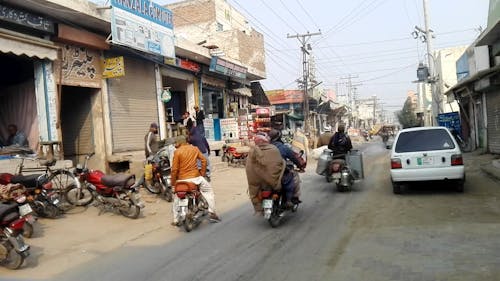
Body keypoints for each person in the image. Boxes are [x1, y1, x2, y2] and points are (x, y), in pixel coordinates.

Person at [170, 135, 219, 225]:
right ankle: (212, 212)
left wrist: (173, 184)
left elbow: (174, 170)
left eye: (176, 143)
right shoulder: (194, 149)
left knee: (176, 197)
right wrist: (202, 174)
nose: (175, 145)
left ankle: (176, 219)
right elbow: (204, 161)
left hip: (182, 180)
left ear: (180, 142)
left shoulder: (177, 152)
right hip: (196, 178)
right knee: (209, 192)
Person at [245, 133, 286, 215]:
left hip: (257, 184)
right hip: (272, 182)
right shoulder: (274, 149)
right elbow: (278, 164)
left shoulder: (252, 151)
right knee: (284, 183)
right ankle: (285, 203)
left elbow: (249, 168)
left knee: (253, 191)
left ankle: (259, 209)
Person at [268, 129, 304, 207]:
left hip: (266, 173)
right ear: (279, 137)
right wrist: (300, 166)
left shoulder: (265, 148)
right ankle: (288, 200)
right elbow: (294, 158)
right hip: (280, 172)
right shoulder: (283, 147)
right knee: (292, 179)